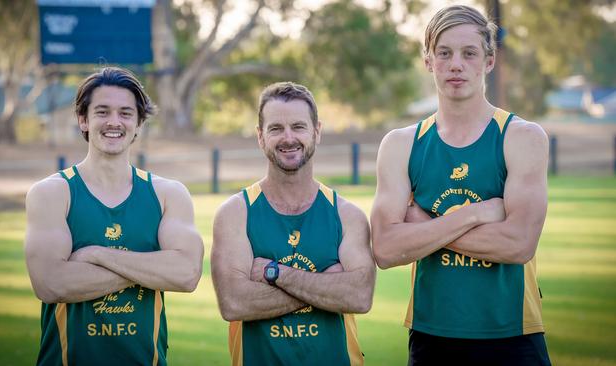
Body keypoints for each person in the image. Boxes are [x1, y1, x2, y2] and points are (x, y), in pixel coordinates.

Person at [371, 5, 551, 365]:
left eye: (469, 53)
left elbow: (517, 244)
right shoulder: (401, 144)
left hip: (512, 334)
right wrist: (478, 213)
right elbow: (387, 248)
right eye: (444, 53)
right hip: (431, 336)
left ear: (488, 61)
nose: (456, 64)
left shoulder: (521, 137)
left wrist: (424, 227)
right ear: (428, 61)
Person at [24, 67, 204, 366]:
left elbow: (186, 275)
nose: (114, 122)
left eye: (125, 113)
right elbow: (50, 284)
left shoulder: (167, 194)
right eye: (102, 112)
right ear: (83, 119)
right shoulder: (52, 193)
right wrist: (150, 269)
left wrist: (95, 254)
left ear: (138, 124)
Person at [211, 82, 376, 365]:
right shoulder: (236, 213)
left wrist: (274, 274)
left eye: (298, 127)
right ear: (260, 137)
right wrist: (329, 286)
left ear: (317, 131)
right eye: (276, 129)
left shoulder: (347, 215)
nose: (288, 138)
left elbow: (359, 297)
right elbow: (234, 303)